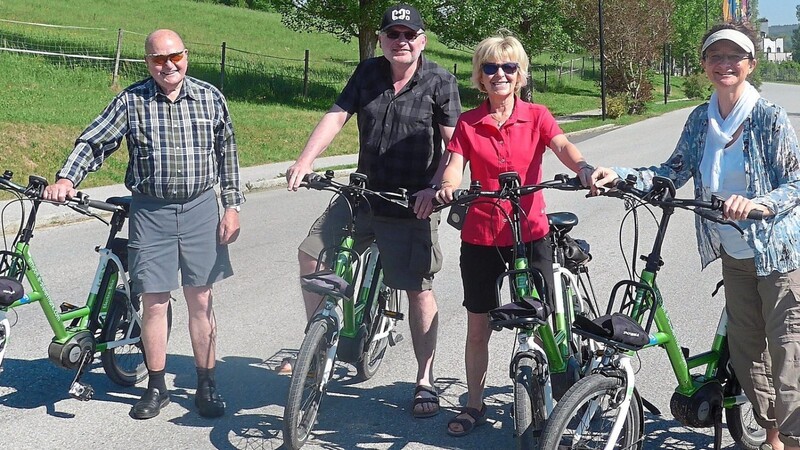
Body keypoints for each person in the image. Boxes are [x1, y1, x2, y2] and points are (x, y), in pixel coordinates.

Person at [592, 23, 800, 450]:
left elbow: (795, 182)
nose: (725, 64)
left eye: (734, 57)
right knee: (747, 354)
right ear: (705, 64)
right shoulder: (700, 118)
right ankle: (773, 437)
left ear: (750, 64)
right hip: (733, 253)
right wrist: (622, 176)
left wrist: (759, 203)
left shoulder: (768, 116)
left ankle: (794, 438)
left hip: (778, 254)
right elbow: (672, 171)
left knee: (787, 354)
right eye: (716, 57)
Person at [43, 29, 244, 420]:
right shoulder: (131, 101)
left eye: (175, 56)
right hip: (150, 211)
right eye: (158, 59)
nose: (168, 65)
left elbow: (228, 155)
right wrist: (68, 179)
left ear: (187, 55)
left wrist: (232, 206)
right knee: (153, 302)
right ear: (147, 62)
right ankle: (157, 387)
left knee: (200, 300)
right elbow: (94, 142)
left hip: (201, 207)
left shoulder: (210, 98)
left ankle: (207, 384)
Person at [284, 3, 461, 419]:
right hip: (363, 191)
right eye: (393, 34)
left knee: (418, 287)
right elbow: (337, 115)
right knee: (311, 253)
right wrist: (306, 159)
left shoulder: (439, 80)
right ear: (381, 39)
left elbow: (455, 145)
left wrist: (435, 188)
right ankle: (318, 342)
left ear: (422, 40)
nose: (401, 41)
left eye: (409, 35)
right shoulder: (367, 73)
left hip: (411, 200)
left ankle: (425, 379)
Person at [429, 35, 594, 437]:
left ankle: (562, 393)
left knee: (545, 320)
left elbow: (563, 146)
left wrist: (585, 169)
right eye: (490, 68)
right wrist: (449, 185)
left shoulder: (537, 115)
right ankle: (473, 403)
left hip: (531, 232)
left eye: (508, 67)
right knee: (478, 324)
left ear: (520, 75)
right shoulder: (469, 123)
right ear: (480, 77)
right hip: (481, 236)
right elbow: (454, 165)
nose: (499, 75)